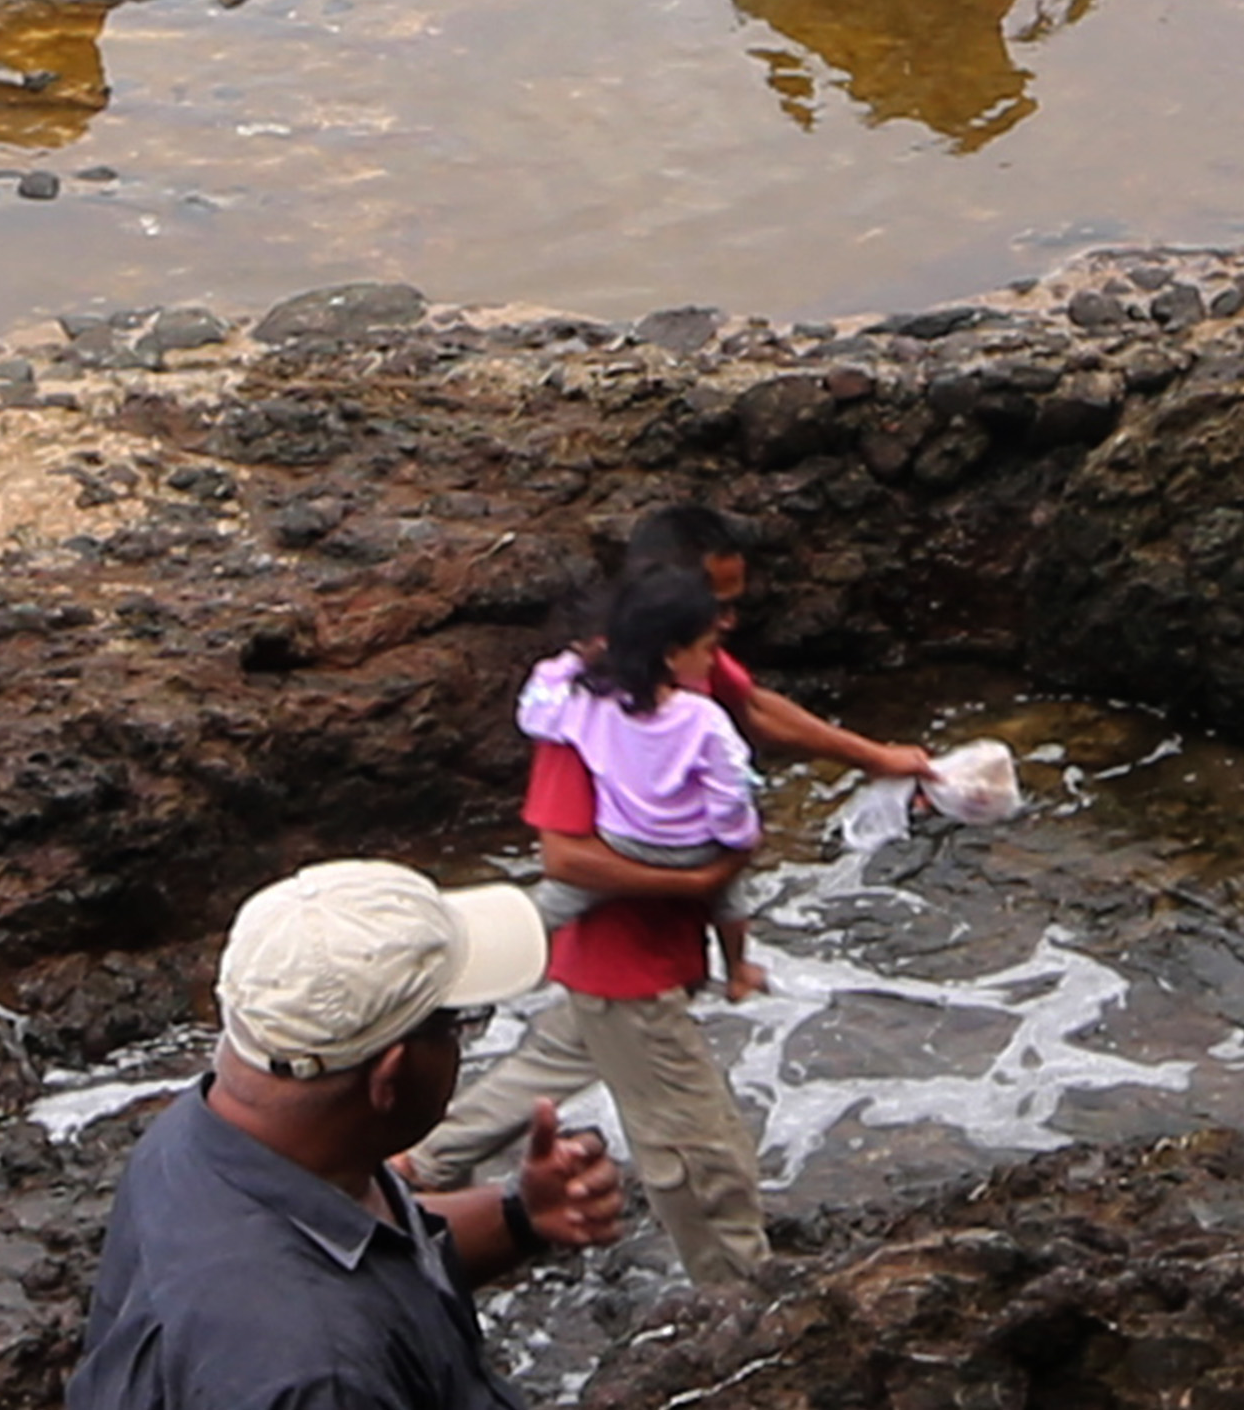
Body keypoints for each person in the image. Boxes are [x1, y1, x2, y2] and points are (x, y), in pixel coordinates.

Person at [411, 505, 934, 1285]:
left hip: (632, 958)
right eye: (716, 607)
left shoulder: (684, 664)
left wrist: (876, 757)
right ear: (661, 605)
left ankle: (417, 1166)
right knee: (700, 1150)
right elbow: (566, 858)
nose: (728, 622)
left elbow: (753, 707)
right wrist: (693, 879)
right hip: (621, 963)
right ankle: (737, 1303)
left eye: (730, 607)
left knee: (558, 1056)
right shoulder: (583, 711)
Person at [72, 860, 628, 1410]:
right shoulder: (318, 1371)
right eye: (459, 1024)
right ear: (392, 1075)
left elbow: (379, 1257)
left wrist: (519, 1216)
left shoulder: (204, 1132)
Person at [519, 568, 764, 1001]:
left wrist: (574, 662)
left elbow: (534, 711)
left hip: (623, 843)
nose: (712, 661)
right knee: (729, 898)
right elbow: (729, 791)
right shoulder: (702, 718)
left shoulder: (590, 704)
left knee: (553, 903)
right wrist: (738, 838)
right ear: (672, 655)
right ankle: (738, 970)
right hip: (693, 848)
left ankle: (500, 970)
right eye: (708, 649)